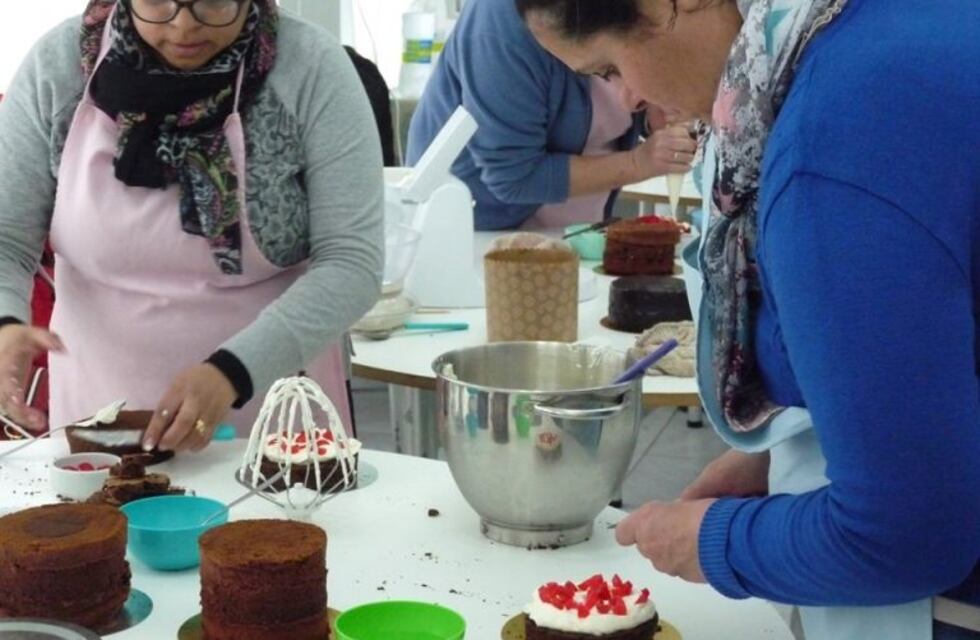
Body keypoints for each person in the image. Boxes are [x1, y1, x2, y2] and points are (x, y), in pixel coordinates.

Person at [515, 1, 980, 639]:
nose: (628, 101)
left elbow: (905, 536)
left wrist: (716, 542)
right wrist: (788, 452)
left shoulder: (831, 143)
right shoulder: (885, 27)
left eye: (609, 69)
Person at [0, 0, 383, 453]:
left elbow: (351, 263)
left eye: (213, 2)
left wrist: (233, 371)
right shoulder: (59, 67)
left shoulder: (310, 67)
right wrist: (6, 323)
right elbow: (6, 239)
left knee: (269, 503)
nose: (183, 24)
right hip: (98, 413)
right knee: (114, 503)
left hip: (272, 408)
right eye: (156, 1)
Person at [406, 0, 696, 231]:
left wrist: (653, 105)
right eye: (606, 70)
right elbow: (515, 177)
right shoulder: (501, 28)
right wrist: (637, 163)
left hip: (579, 218)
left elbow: (616, 90)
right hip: (479, 227)